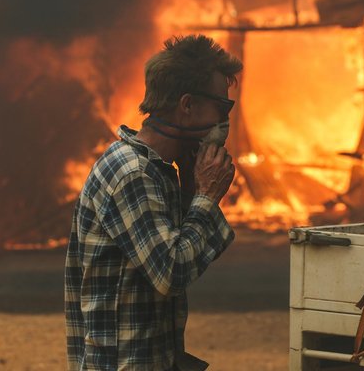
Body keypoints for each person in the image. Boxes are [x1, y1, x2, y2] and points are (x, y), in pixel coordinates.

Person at [65, 34, 242, 370]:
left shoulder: (160, 171)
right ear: (187, 106)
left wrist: (191, 182)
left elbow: (184, 251)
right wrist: (206, 196)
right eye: (222, 108)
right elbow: (172, 271)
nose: (224, 121)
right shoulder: (133, 174)